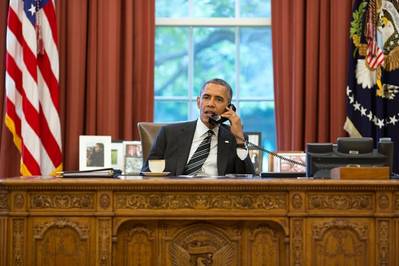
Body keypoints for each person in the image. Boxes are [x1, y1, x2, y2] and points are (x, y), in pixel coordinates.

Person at [142, 78, 255, 176]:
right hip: (176, 195)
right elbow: (147, 173)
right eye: (206, 97)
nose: (211, 104)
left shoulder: (233, 138)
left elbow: (248, 179)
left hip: (217, 196)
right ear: (198, 102)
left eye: (218, 99)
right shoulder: (169, 133)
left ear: (228, 108)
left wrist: (239, 139)